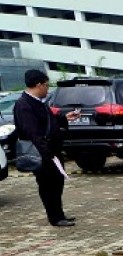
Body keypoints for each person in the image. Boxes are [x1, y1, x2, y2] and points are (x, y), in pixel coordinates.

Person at [13, 69, 80, 227]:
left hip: (51, 151)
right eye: (46, 85)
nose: (47, 88)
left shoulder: (37, 102)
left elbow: (46, 120)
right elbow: (33, 132)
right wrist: (47, 153)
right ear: (38, 85)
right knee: (48, 185)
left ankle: (59, 214)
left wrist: (64, 118)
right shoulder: (24, 105)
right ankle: (55, 217)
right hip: (42, 153)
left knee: (57, 183)